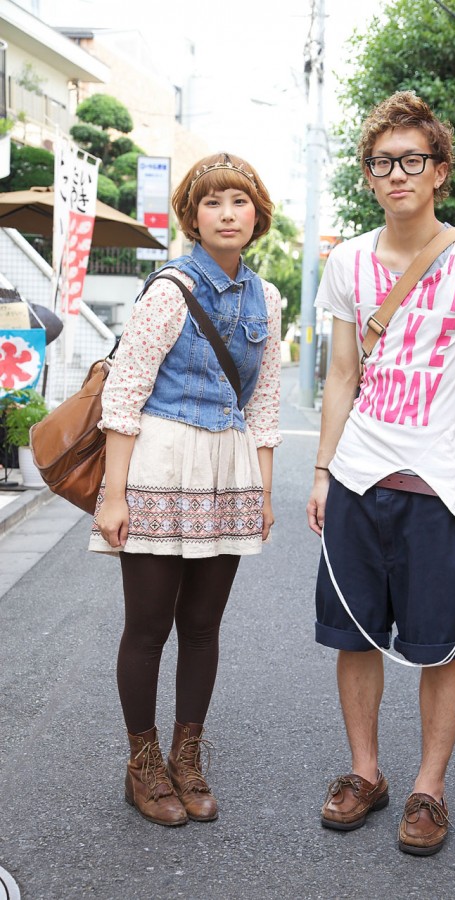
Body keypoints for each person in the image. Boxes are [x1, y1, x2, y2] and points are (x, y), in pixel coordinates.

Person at [306, 92, 455, 855]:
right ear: (369, 177)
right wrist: (324, 471)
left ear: (440, 172)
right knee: (355, 637)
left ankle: (429, 788)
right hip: (359, 480)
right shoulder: (347, 261)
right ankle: (367, 773)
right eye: (382, 162)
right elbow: (341, 373)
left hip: (439, 490)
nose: (396, 173)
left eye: (412, 160)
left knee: (441, 646)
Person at [89, 152, 281, 827]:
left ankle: (187, 757)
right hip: (161, 465)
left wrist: (261, 491)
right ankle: (142, 765)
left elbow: (263, 405)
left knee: (203, 627)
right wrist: (114, 497)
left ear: (257, 214)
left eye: (239, 201)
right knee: (148, 627)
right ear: (192, 217)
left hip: (227, 473)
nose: (227, 214)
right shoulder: (169, 290)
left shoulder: (267, 297)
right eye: (212, 203)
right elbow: (125, 393)